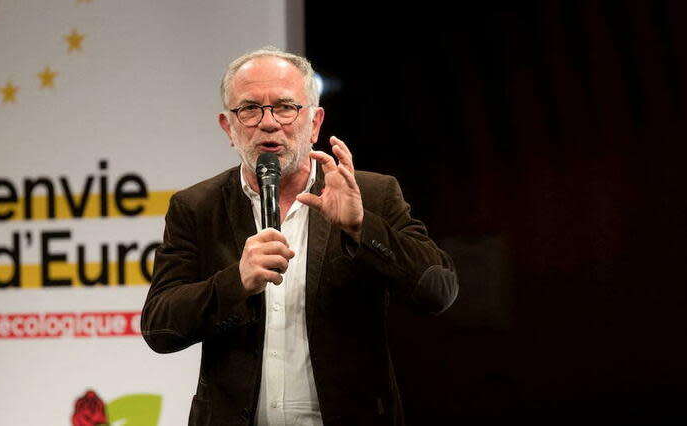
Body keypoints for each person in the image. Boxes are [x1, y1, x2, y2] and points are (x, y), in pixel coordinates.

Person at [141, 47, 458, 426]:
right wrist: (234, 283)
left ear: (315, 123)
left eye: (286, 107)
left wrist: (361, 227)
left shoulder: (372, 194)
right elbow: (159, 327)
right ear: (229, 127)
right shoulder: (196, 207)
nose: (268, 123)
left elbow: (438, 291)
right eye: (249, 109)